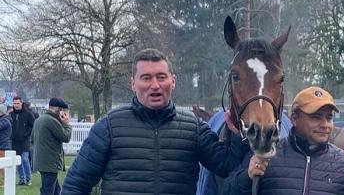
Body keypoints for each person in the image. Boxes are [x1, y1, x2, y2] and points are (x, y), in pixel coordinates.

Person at [62, 48, 248, 195]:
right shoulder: (108, 127)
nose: (155, 85)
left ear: (173, 81)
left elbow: (227, 166)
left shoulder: (194, 129)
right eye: (146, 78)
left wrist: (238, 133)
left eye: (161, 77)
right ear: (133, 83)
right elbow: (76, 184)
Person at [219, 86, 344, 195]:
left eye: (328, 117)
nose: (324, 124)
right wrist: (247, 176)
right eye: (316, 117)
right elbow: (225, 191)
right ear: (294, 119)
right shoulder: (265, 156)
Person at [32, 97, 72, 195]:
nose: (64, 113)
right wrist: (67, 124)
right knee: (47, 191)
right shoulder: (52, 121)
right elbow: (66, 137)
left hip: (42, 162)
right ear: (58, 109)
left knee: (56, 190)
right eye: (63, 110)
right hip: (50, 163)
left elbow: (32, 138)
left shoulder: (39, 119)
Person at [11, 96, 35, 185]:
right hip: (14, 141)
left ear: (21, 103)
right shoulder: (11, 114)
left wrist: (26, 134)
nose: (16, 105)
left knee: (24, 159)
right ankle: (22, 179)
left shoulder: (28, 114)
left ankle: (28, 178)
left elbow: (32, 125)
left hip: (25, 141)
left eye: (18, 103)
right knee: (18, 161)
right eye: (15, 103)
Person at [0, 104, 12, 186]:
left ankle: (6, 182)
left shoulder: (5, 121)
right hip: (2, 145)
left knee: (3, 166)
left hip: (3, 146)